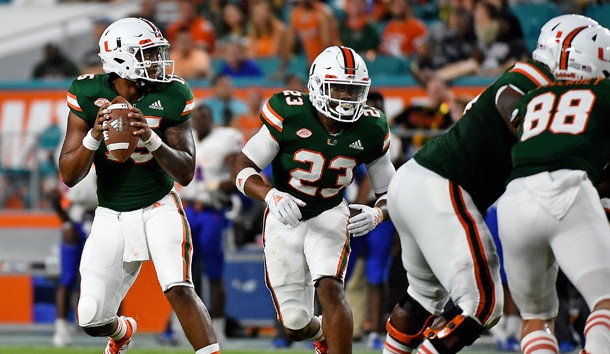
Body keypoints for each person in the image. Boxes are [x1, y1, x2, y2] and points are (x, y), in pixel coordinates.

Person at [382, 14, 599, 354]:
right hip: (442, 185)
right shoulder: (535, 75)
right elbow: (508, 100)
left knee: (422, 298)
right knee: (482, 305)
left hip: (420, 181)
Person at [57, 17, 220, 354]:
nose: (158, 63)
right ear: (121, 58)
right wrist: (92, 135)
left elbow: (186, 171)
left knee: (178, 286)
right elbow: (69, 175)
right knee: (90, 317)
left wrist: (152, 139)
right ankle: (122, 331)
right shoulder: (88, 93)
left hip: (159, 206)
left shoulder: (172, 93)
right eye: (148, 55)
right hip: (110, 212)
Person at [231, 45, 396, 354]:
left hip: (330, 212)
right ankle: (322, 335)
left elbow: (390, 192)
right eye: (340, 87)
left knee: (331, 288)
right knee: (294, 324)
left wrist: (378, 214)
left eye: (353, 89)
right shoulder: (289, 112)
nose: (347, 97)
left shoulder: (372, 128)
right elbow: (242, 168)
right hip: (284, 215)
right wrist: (271, 196)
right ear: (317, 85)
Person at [496, 25, 610, 354]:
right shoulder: (604, 93)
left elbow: (510, 107)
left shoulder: (534, 98)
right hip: (568, 192)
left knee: (535, 318)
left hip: (514, 202)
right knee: (605, 300)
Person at [180, 103, 244, 343]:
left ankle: (218, 328)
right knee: (185, 274)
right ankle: (189, 328)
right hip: (188, 210)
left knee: (214, 273)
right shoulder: (184, 136)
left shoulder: (225, 138)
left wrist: (218, 186)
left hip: (212, 210)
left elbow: (239, 171)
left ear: (211, 119)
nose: (200, 120)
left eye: (205, 116)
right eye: (197, 116)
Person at [49, 169, 97, 348]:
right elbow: (54, 195)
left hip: (102, 220)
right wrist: (67, 223)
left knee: (112, 276)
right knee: (67, 277)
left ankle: (116, 329)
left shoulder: (112, 154)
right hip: (76, 220)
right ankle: (61, 327)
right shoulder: (77, 160)